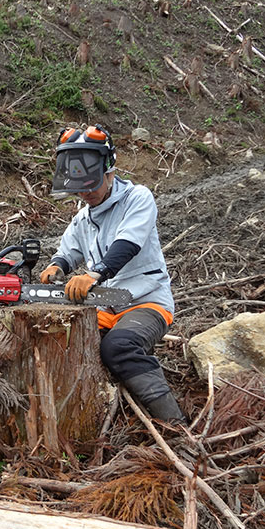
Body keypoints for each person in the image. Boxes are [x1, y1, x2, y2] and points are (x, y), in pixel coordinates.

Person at [39, 124, 186, 423]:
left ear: (110, 172)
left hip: (147, 301)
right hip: (106, 305)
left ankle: (174, 423)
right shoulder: (83, 217)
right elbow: (68, 251)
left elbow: (127, 244)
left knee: (119, 346)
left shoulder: (138, 199)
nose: (85, 193)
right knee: (68, 343)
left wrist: (95, 274)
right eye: (80, 187)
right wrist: (57, 266)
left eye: (91, 185)